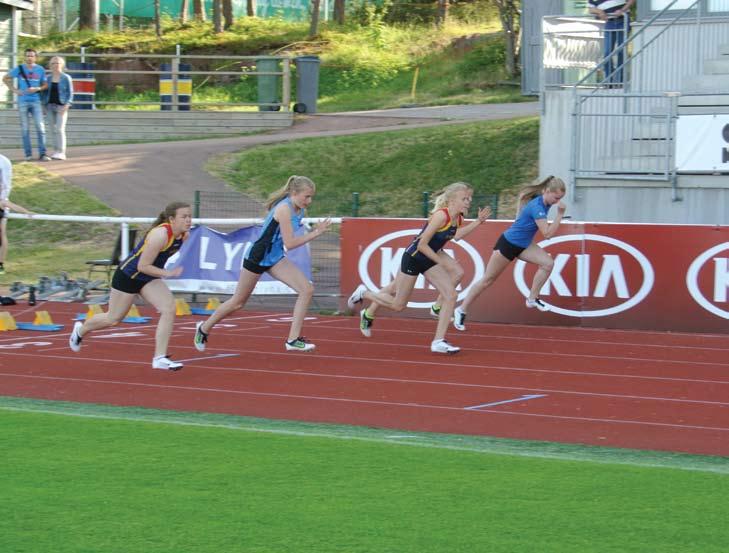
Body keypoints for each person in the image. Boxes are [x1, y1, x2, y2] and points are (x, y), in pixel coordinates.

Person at [347, 182, 491, 354]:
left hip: (430, 256)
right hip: (415, 257)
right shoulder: (441, 216)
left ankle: (438, 341)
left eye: (469, 198)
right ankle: (364, 294)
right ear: (452, 201)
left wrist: (478, 221)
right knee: (398, 305)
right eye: (464, 198)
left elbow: (457, 236)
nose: (469, 202)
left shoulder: (458, 217)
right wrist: (439, 261)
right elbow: (422, 244)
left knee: (451, 294)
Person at [193, 175, 332, 353]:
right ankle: (203, 328)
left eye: (311, 197)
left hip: (275, 257)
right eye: (306, 196)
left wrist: (313, 231)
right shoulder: (284, 209)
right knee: (237, 303)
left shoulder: (300, 210)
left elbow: (284, 243)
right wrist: (315, 233)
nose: (309, 201)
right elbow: (290, 243)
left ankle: (293, 339)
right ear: (294, 193)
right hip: (257, 257)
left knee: (307, 289)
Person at [69, 202, 193, 370]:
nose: (188, 220)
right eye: (184, 217)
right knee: (113, 319)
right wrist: (167, 273)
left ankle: (160, 357)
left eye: (189, 216)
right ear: (171, 219)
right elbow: (142, 266)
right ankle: (80, 331)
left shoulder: (183, 236)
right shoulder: (160, 234)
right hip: (128, 277)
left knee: (169, 308)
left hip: (148, 278)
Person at [453, 176, 567, 332]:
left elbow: (523, 200)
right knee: (487, 280)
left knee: (548, 264)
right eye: (556, 198)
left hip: (525, 244)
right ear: (547, 191)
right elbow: (547, 234)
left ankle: (532, 299)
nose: (558, 202)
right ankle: (461, 310)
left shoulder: (544, 201)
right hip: (508, 244)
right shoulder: (538, 206)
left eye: (560, 199)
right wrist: (560, 214)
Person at [3, 48, 50, 161]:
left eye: (32, 56)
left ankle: (43, 153)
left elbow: (45, 85)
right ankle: (28, 155)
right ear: (25, 57)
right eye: (27, 56)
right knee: (25, 129)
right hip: (23, 101)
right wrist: (14, 90)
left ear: (35, 57)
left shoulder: (40, 69)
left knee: (40, 127)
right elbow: (5, 78)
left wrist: (37, 88)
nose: (29, 58)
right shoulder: (19, 69)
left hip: (36, 101)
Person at [0, 154, 34, 275]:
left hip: (1, 217)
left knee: (2, 234)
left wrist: (26, 212)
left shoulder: (2, 201)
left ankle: (1, 264)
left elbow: (12, 205)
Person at [588, 0, 635, 86]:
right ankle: (609, 80)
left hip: (622, 20)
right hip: (609, 22)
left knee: (621, 52)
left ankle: (620, 82)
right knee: (607, 52)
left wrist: (622, 10)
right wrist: (599, 11)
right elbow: (590, 9)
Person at [42, 56, 74, 160]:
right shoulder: (48, 78)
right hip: (49, 106)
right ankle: (55, 151)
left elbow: (70, 93)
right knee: (52, 130)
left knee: (60, 129)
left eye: (58, 63)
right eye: (53, 63)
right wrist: (43, 106)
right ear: (50, 66)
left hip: (61, 106)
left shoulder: (66, 78)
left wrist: (67, 105)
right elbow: (44, 93)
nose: (55, 65)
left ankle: (61, 151)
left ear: (62, 65)